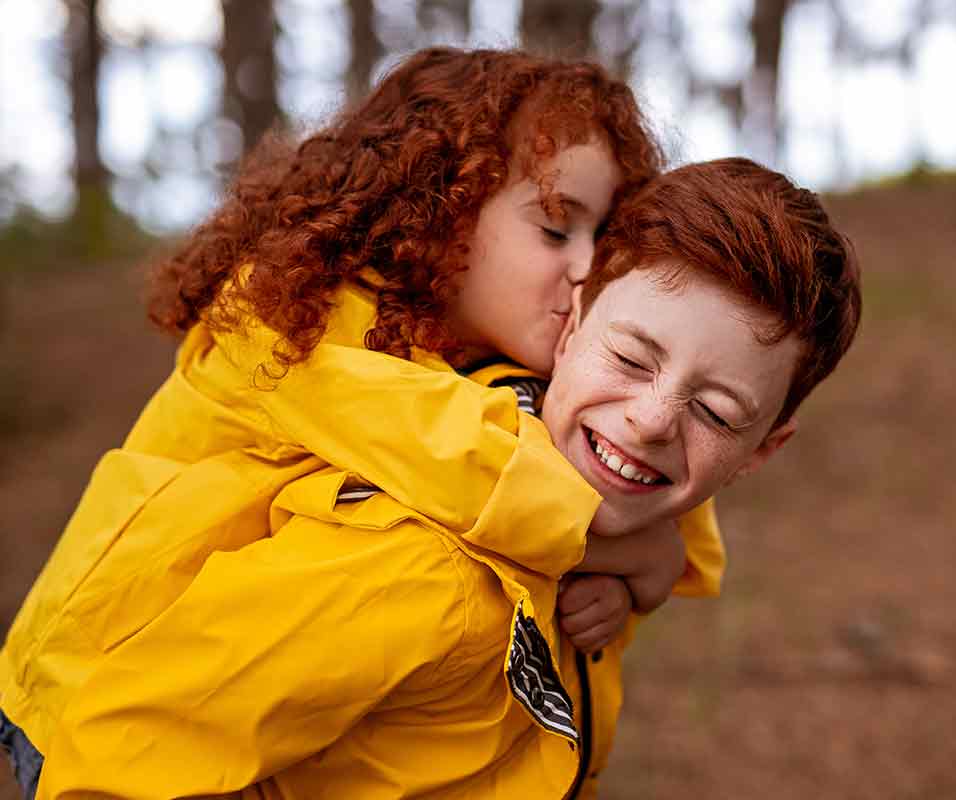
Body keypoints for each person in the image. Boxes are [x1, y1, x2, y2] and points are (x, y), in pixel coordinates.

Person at [0, 47, 721, 799]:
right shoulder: (290, 326)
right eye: (554, 229)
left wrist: (648, 559)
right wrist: (627, 548)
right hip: (104, 696)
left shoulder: (494, 353)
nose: (585, 270)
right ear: (441, 208)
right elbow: (489, 467)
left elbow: (625, 484)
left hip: (254, 704)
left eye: (601, 240)